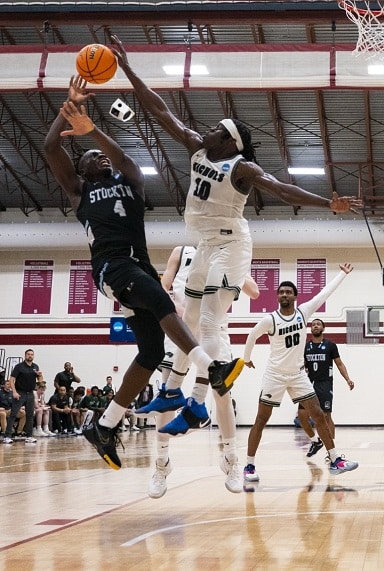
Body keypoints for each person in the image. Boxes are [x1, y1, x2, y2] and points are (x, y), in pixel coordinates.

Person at [111, 34, 361, 488]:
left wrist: (330, 204)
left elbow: (284, 190)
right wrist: (127, 68)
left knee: (206, 319)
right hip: (205, 244)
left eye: (217, 129)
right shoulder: (198, 150)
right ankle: (178, 410)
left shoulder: (241, 168)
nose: (206, 130)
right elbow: (158, 110)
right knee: (189, 322)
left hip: (232, 244)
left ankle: (200, 405)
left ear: (232, 142)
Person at [43, 77, 242, 471]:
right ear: (80, 169)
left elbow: (125, 161)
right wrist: (69, 104)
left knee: (151, 352)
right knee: (160, 298)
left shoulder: (130, 181)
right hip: (111, 267)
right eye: (89, 156)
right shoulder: (79, 191)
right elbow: (51, 148)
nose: (97, 157)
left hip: (137, 265)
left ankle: (104, 424)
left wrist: (94, 130)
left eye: (101, 154)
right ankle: (211, 369)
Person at [139, 245, 260, 496]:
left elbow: (255, 292)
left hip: (216, 331)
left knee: (222, 395)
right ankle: (161, 465)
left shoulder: (229, 254)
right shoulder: (181, 251)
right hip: (180, 327)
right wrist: (174, 309)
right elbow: (162, 286)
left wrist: (239, 264)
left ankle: (230, 459)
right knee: (167, 396)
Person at [243, 264, 359, 481]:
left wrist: (342, 274)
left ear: (295, 296)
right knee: (261, 419)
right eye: (281, 291)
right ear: (277, 296)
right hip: (275, 375)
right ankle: (249, 466)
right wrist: (247, 359)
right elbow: (251, 335)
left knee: (319, 414)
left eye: (289, 292)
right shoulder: (270, 319)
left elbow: (325, 293)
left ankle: (335, 459)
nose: (285, 294)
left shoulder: (303, 312)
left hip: (298, 375)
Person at [298, 318, 355, 457]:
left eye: (318, 324)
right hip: (308, 384)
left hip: (324, 384)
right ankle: (315, 441)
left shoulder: (330, 345)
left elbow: (339, 364)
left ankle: (332, 452)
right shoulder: (306, 347)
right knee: (302, 416)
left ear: (323, 328)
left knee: (326, 416)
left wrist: (347, 379)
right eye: (313, 325)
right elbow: (301, 364)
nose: (315, 326)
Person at [3, 348, 43, 444]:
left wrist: (40, 375)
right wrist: (14, 392)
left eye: (32, 354)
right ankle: (7, 436)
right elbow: (12, 380)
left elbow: (40, 381)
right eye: (28, 354)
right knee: (13, 414)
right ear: (25, 355)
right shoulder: (19, 367)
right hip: (20, 393)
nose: (30, 356)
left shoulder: (35, 366)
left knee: (30, 415)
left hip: (30, 393)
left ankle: (29, 436)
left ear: (33, 356)